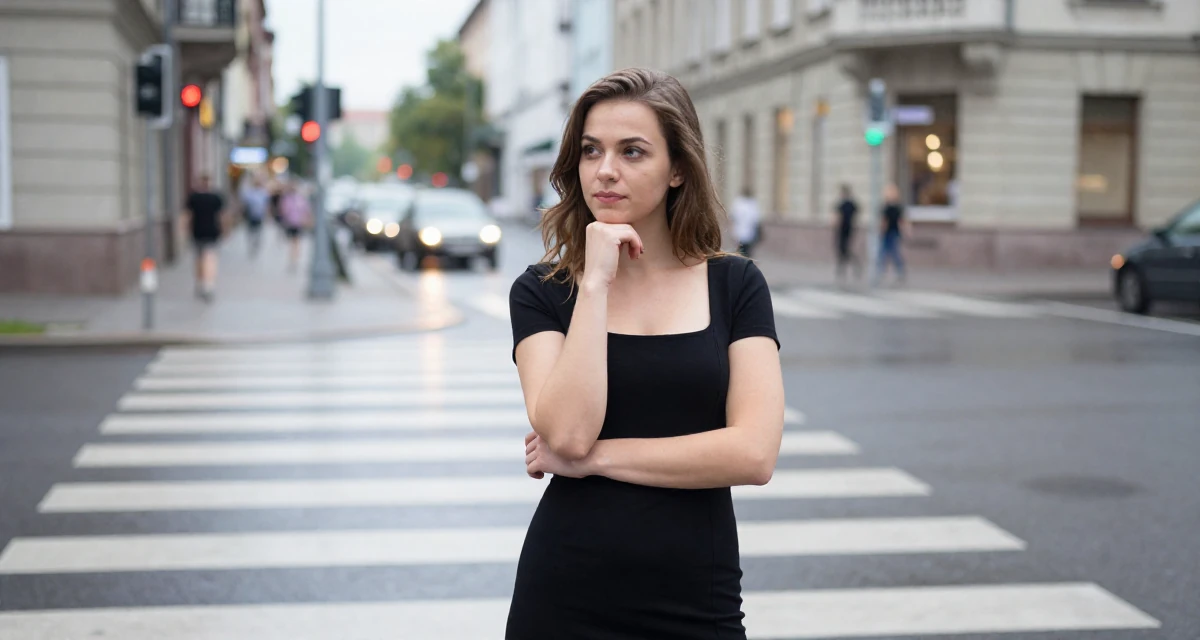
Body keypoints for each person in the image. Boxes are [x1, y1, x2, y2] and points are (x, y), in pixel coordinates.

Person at [507, 68, 785, 639]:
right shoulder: (543, 292)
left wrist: (595, 462)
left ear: (678, 168)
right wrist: (594, 286)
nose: (605, 170)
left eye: (632, 152)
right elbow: (566, 433)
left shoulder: (735, 285)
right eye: (591, 151)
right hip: (565, 596)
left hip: (695, 597)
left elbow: (753, 453)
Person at [184, 174, 224, 302]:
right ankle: (208, 284)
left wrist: (185, 231)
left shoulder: (193, 197)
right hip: (211, 232)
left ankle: (201, 282)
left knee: (199, 259)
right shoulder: (216, 197)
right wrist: (225, 230)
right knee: (210, 258)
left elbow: (187, 216)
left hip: (197, 232)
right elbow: (222, 216)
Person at [875, 183, 910, 286]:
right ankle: (881, 271)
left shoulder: (897, 207)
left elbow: (901, 220)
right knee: (883, 253)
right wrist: (881, 230)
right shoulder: (886, 207)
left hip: (893, 233)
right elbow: (883, 221)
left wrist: (906, 230)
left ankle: (897, 271)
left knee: (893, 253)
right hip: (887, 233)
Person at [279, 183, 311, 273]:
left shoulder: (289, 199)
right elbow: (306, 211)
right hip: (295, 223)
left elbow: (283, 211)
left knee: (294, 242)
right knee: (295, 242)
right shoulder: (298, 199)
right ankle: (294, 258)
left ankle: (293, 258)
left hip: (294, 223)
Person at [834, 183, 862, 283]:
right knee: (843, 250)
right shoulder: (852, 204)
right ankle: (843, 269)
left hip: (843, 230)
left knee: (843, 250)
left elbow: (838, 218)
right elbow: (857, 214)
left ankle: (848, 267)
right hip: (849, 230)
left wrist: (836, 226)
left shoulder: (843, 204)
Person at [238, 174, 270, 258]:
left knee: (258, 231)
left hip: (259, 215)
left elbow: (266, 205)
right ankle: (251, 244)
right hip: (250, 215)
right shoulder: (250, 192)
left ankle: (256, 243)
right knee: (250, 231)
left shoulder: (263, 193)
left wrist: (267, 214)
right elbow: (244, 203)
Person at [730, 186, 761, 257]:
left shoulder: (738, 202)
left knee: (741, 250)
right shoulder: (752, 203)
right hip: (749, 232)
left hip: (740, 231)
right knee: (747, 250)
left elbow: (733, 217)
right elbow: (756, 219)